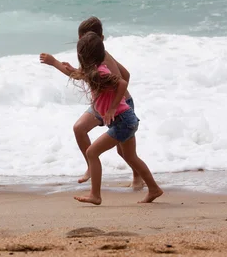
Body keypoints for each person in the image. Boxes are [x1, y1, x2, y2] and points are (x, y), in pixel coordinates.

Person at [40, 16, 144, 190]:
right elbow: (126, 75)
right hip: (101, 104)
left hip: (118, 105)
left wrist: (54, 63)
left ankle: (138, 176)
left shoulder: (103, 58)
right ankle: (91, 164)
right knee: (79, 128)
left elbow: (120, 80)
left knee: (124, 151)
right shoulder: (97, 57)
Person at [64, 32, 163, 205]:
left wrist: (111, 109)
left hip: (123, 121)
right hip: (127, 119)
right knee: (131, 157)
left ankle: (95, 195)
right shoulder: (95, 72)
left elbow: (122, 83)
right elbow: (85, 76)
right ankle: (154, 189)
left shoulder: (101, 73)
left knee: (92, 153)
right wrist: (70, 70)